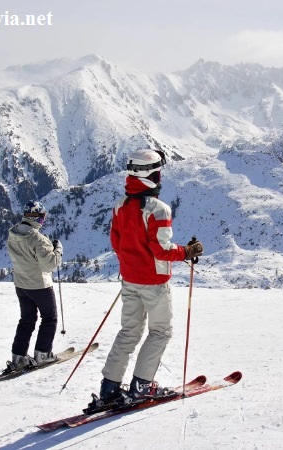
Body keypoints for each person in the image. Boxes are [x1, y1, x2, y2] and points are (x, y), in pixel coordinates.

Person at [98, 148, 203, 405]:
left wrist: (132, 264)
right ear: (151, 175)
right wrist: (187, 252)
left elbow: (116, 243)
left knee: (129, 332)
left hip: (130, 279)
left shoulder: (119, 206)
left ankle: (109, 388)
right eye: (158, 173)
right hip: (154, 282)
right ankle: (142, 386)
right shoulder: (158, 209)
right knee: (160, 332)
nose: (160, 178)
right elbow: (162, 250)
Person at [6, 200, 64, 369]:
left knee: (27, 320)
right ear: (38, 217)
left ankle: (18, 358)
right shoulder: (38, 238)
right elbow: (50, 264)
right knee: (49, 318)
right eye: (43, 217)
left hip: (21, 284)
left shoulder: (13, 233)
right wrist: (58, 250)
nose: (43, 220)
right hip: (39, 285)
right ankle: (43, 354)